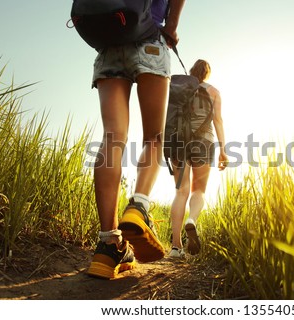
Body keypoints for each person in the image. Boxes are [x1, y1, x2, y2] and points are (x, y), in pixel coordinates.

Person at [87, 0, 186, 279]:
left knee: (112, 137)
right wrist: (172, 27)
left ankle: (108, 244)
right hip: (150, 39)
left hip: (109, 43)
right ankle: (138, 207)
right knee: (154, 137)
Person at [168, 59, 228, 258]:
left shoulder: (179, 87)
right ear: (207, 74)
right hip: (204, 141)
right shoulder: (214, 92)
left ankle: (176, 247)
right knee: (198, 191)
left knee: (180, 192)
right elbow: (218, 121)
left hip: (178, 140)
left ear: (192, 71)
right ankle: (192, 219)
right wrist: (223, 150)